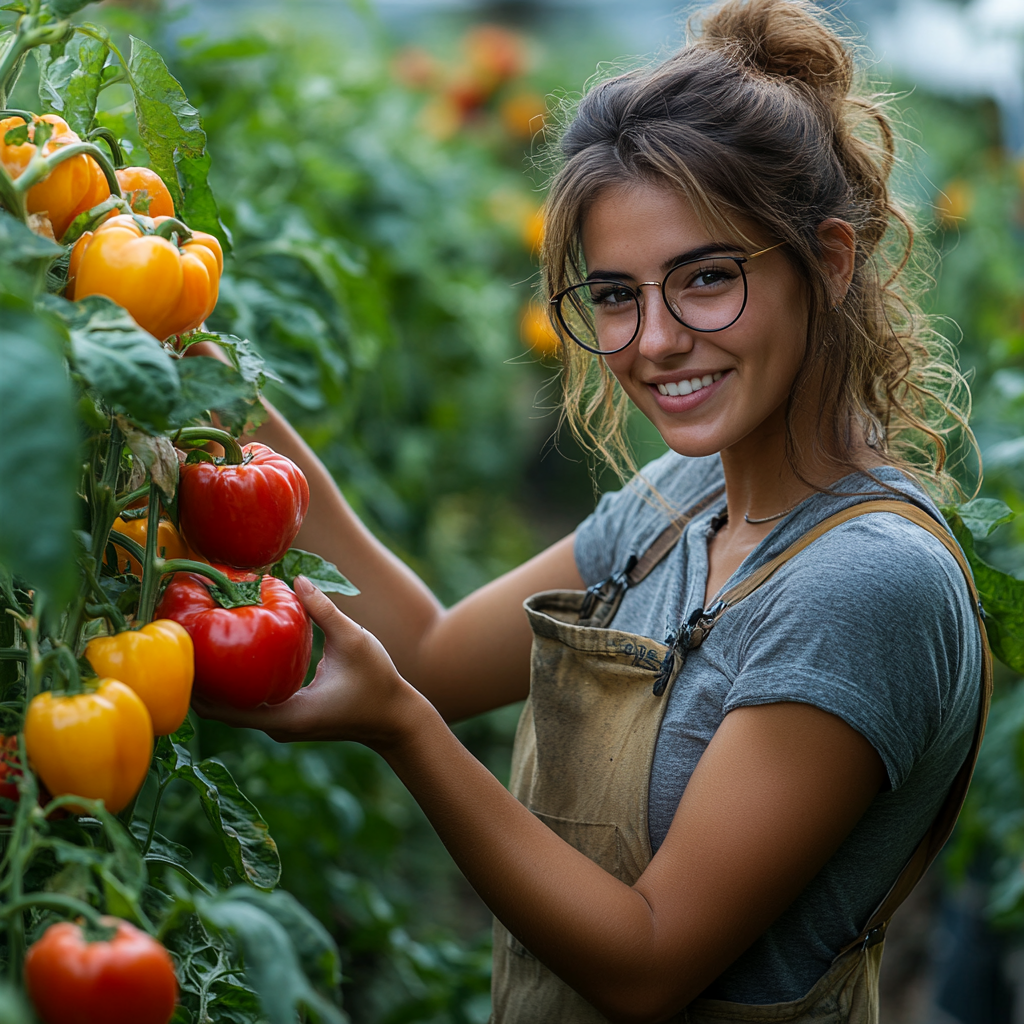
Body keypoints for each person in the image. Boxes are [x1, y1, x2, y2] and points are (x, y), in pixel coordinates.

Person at [192, 0, 991, 1019]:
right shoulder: (677, 504)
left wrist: (396, 729)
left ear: (827, 263)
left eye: (705, 279)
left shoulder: (865, 581)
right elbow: (433, 655)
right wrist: (225, 407)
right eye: (614, 294)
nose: (654, 339)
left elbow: (646, 962)